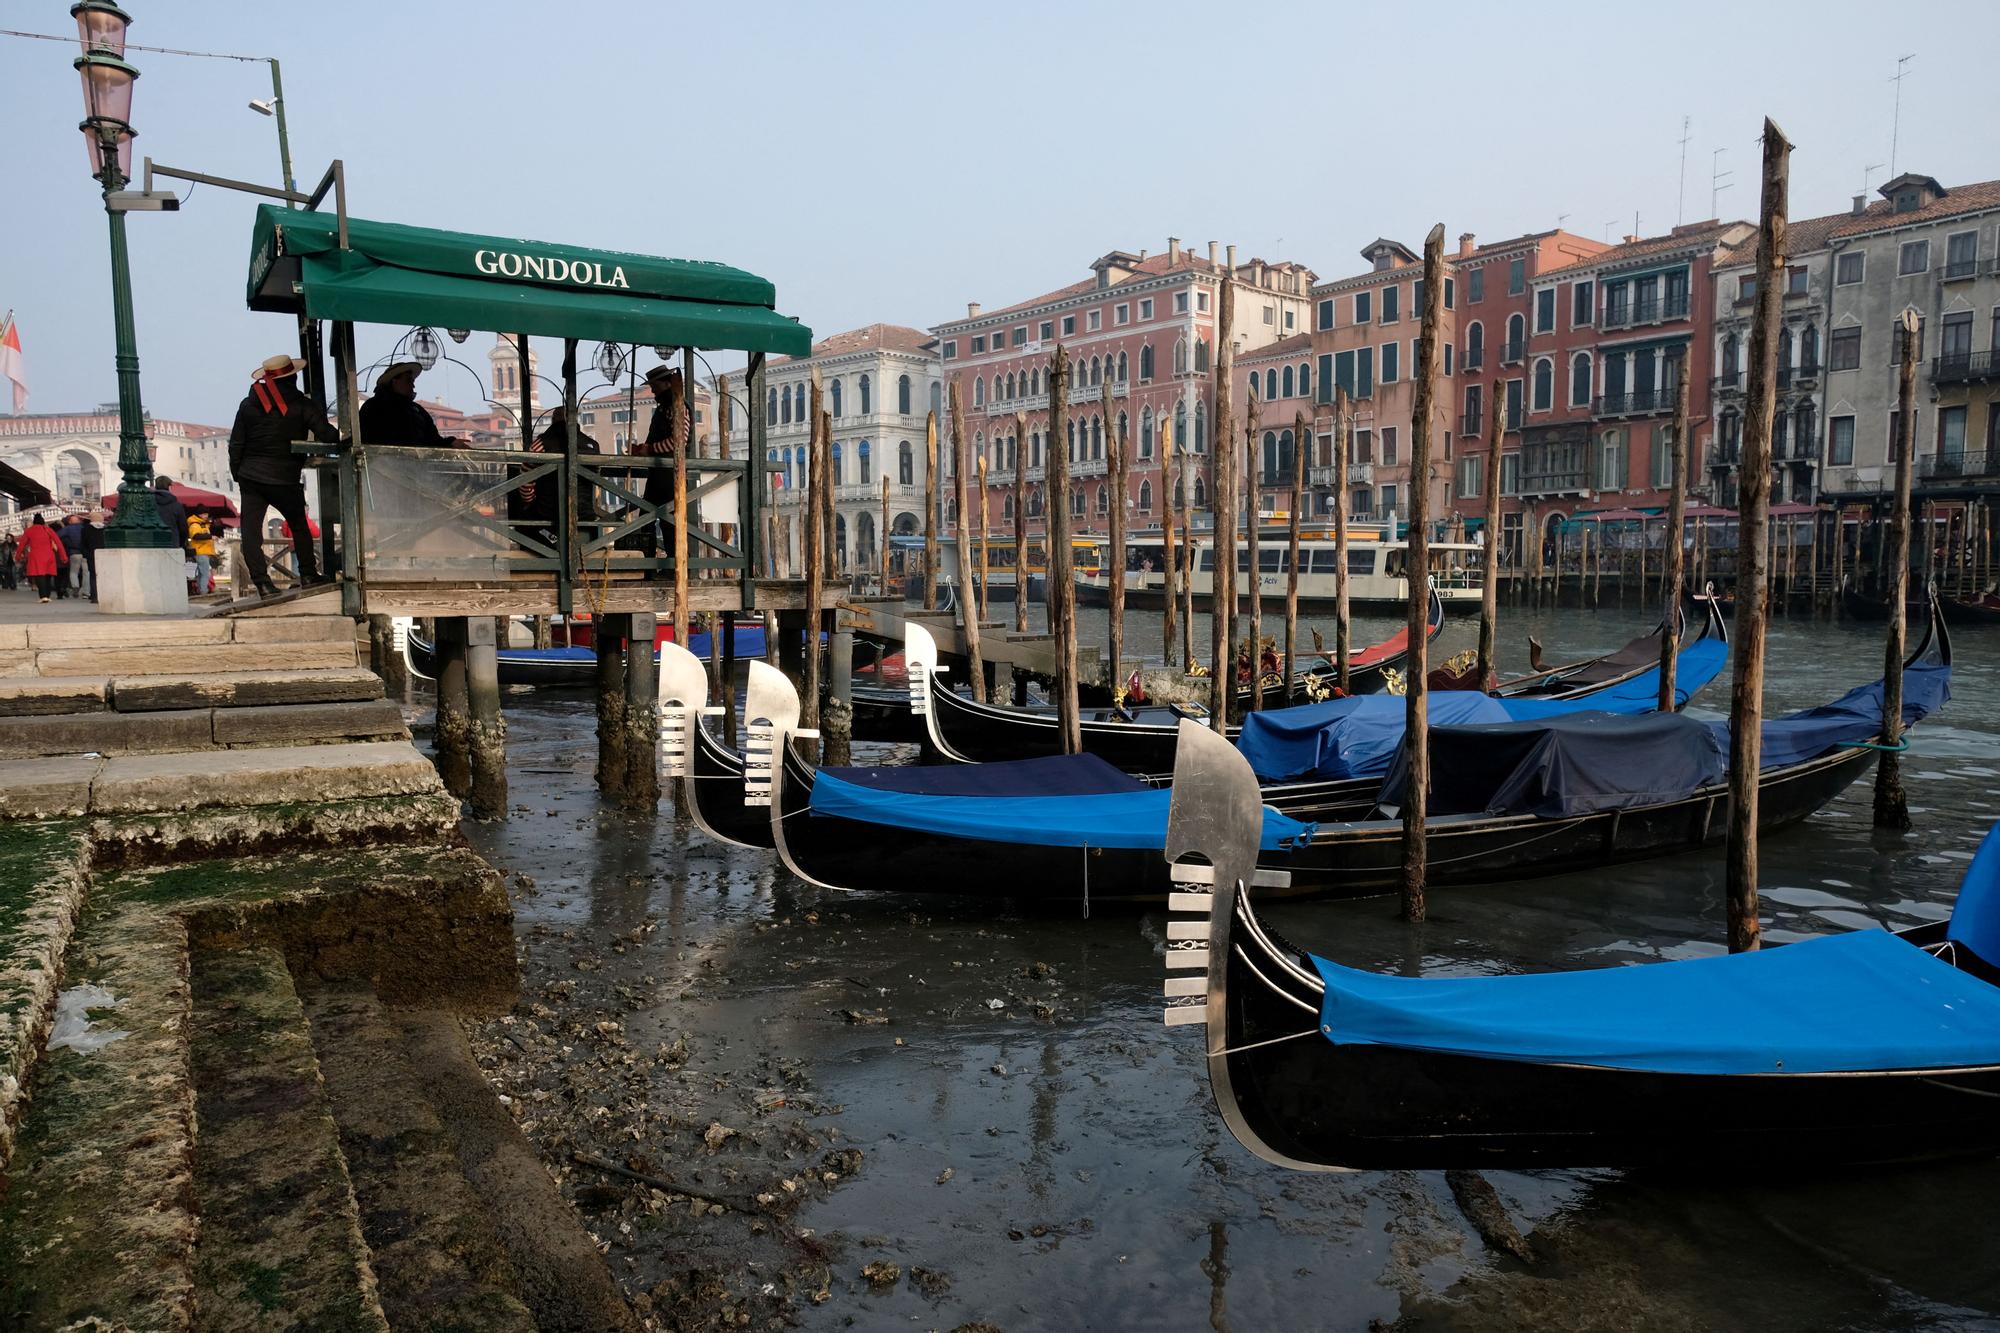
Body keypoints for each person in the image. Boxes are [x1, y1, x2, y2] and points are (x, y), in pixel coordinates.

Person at [229, 352, 338, 598]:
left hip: (251, 477)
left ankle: (262, 583)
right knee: (299, 525)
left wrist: (239, 473)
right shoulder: (301, 404)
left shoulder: (248, 405)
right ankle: (309, 575)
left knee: (251, 531)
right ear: (292, 378)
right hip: (284, 477)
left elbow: (236, 444)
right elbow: (327, 434)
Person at [508, 405, 598, 550]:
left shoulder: (540, 444)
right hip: (584, 512)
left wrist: (529, 503)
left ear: (553, 420)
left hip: (549, 512)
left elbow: (524, 482)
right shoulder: (593, 446)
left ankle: (545, 545)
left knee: (521, 513)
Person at [632, 364, 688, 567]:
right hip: (658, 472)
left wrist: (649, 450)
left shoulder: (677, 406)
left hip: (670, 473)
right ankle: (648, 564)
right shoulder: (665, 407)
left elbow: (678, 441)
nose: (653, 391)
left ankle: (672, 563)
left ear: (666, 384)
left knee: (667, 519)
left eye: (654, 386)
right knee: (647, 517)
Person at [359, 361, 465, 448]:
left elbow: (432, 440)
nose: (413, 385)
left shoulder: (417, 410)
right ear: (394, 382)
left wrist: (450, 443)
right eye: (408, 381)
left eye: (412, 381)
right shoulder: (373, 407)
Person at [20, 514, 66, 602]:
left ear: (34, 522)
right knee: (48, 575)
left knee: (39, 575)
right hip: (49, 555)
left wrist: (18, 556)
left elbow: (21, 545)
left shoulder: (29, 531)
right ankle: (47, 595)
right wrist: (63, 556)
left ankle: (43, 596)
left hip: (36, 555)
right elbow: (59, 543)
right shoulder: (48, 530)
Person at [150, 475, 188, 552]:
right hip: (173, 542)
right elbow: (183, 527)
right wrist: (181, 543)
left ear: (156, 486)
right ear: (169, 487)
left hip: (153, 542)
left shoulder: (149, 503)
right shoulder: (177, 505)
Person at [186, 507, 216, 595]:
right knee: (205, 573)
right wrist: (210, 536)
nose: (207, 516)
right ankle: (204, 591)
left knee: (201, 573)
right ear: (200, 515)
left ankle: (201, 590)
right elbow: (195, 536)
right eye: (205, 514)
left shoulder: (202, 524)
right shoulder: (195, 525)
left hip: (203, 551)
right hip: (201, 552)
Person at [59, 512, 87, 598]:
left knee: (73, 572)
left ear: (70, 522)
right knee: (86, 572)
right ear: (79, 520)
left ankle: (75, 587)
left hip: (73, 552)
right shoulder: (84, 528)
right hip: (85, 553)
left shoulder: (67, 529)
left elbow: (58, 536)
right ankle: (86, 591)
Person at [82, 509, 105, 603]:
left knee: (93, 575)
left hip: (91, 554)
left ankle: (94, 595)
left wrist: (85, 554)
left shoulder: (86, 529)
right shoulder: (105, 529)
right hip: (103, 554)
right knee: (102, 575)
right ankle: (102, 594)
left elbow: (83, 543)